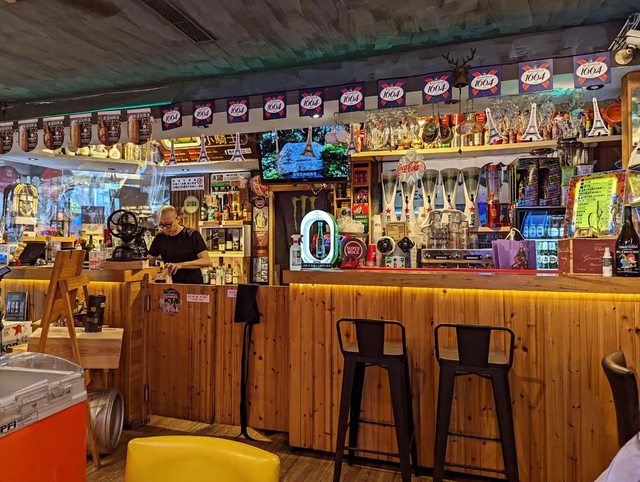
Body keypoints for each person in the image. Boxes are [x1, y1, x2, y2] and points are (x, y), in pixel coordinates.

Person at [148, 205, 211, 284]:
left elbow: (206, 261)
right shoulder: (160, 237)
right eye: (161, 225)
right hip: (170, 284)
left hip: (193, 284)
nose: (164, 228)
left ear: (177, 219)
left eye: (168, 224)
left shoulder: (192, 234)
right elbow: (149, 261)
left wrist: (180, 265)